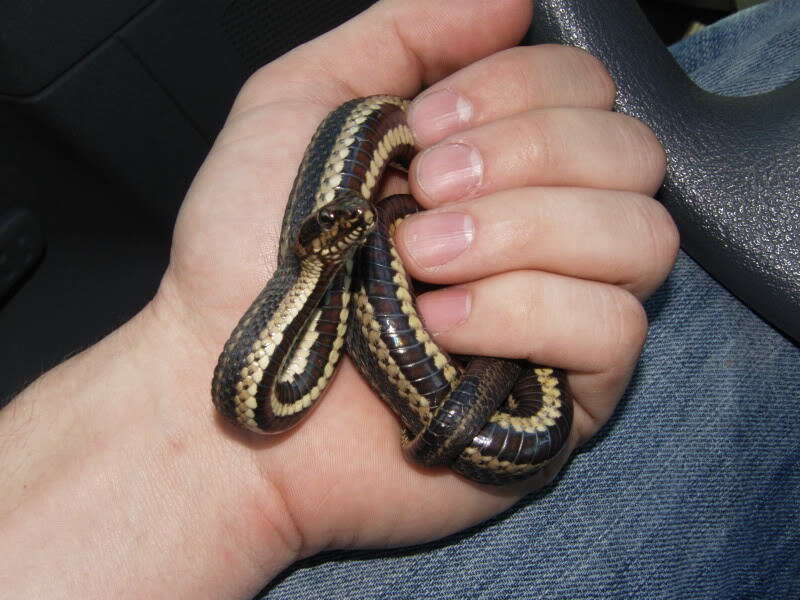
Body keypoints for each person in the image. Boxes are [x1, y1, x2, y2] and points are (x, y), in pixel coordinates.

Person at [1, 0, 797, 598]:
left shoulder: (328, 244)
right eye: (344, 235)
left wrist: (214, 469)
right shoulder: (298, 310)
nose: (356, 227)